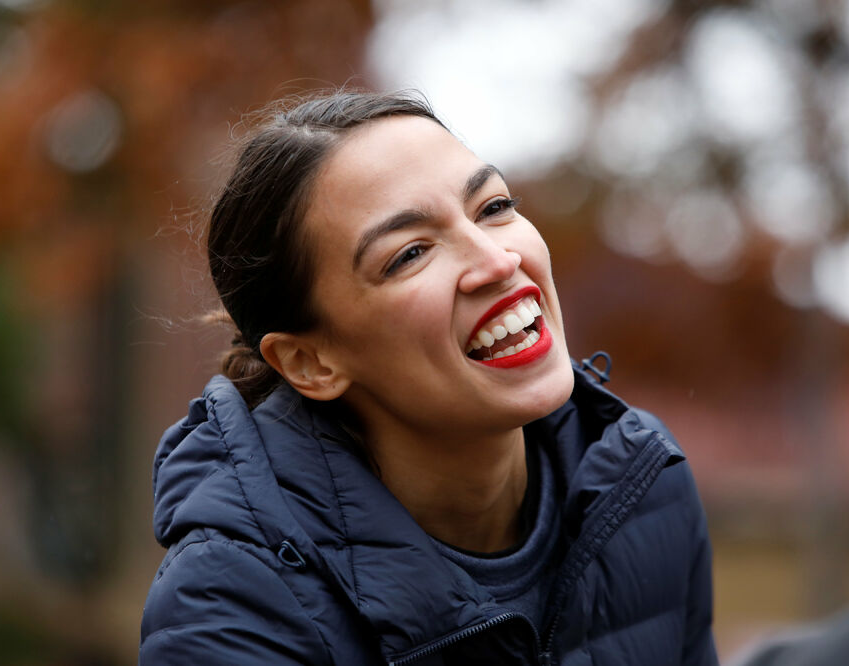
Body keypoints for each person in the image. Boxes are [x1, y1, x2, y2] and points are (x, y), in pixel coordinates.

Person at [139, 89, 718, 665]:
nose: (497, 261)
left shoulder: (642, 491)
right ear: (309, 362)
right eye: (410, 253)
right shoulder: (230, 607)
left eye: (493, 208)